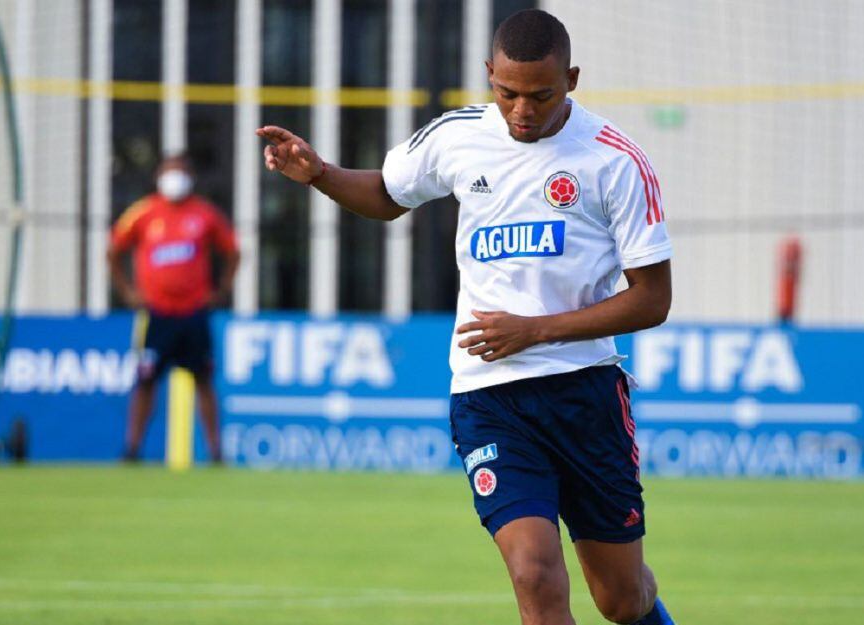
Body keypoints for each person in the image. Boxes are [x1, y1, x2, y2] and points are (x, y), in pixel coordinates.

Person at [258, 9, 674, 625]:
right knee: (535, 574)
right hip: (489, 396)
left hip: (583, 393)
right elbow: (388, 194)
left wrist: (534, 330)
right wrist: (319, 174)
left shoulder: (615, 161)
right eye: (507, 93)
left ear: (572, 80)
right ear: (489, 75)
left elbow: (652, 299)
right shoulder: (457, 135)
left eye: (541, 95)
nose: (522, 111)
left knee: (620, 599)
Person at [108, 154, 240, 464]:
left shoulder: (204, 213)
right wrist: (127, 291)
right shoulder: (143, 212)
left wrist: (222, 290)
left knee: (203, 380)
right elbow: (113, 249)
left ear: (191, 178)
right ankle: (132, 449)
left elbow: (233, 251)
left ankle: (215, 452)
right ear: (158, 177)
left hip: (194, 313)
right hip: (157, 315)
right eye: (169, 172)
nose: (174, 179)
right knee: (146, 382)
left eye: (180, 172)